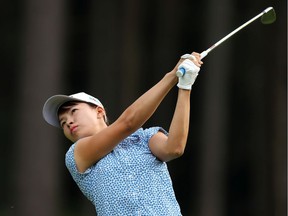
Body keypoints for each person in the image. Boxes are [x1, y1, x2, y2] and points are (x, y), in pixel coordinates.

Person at [42, 52, 203, 215]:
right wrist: (172, 75)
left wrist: (185, 86)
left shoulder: (144, 137)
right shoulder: (77, 154)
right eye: (62, 122)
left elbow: (174, 148)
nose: (68, 122)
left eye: (74, 111)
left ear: (99, 111)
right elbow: (128, 123)